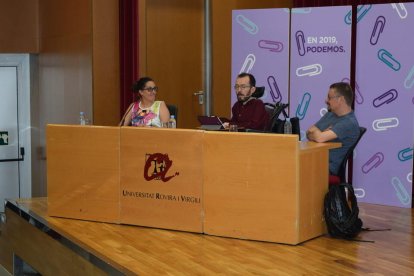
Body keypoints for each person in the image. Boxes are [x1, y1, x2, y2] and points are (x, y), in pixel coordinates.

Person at [306, 82, 360, 175]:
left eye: (330, 98)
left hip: (326, 170)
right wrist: (319, 134)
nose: (326, 100)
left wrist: (318, 134)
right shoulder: (330, 114)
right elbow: (308, 132)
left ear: (340, 99)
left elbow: (319, 138)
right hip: (314, 162)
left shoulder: (349, 123)